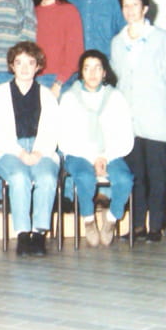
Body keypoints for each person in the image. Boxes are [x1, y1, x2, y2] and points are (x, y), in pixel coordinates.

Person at [111, 0, 166, 242]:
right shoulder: (117, 42)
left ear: (145, 8)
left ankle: (156, 226)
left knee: (157, 175)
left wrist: (159, 105)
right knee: (136, 175)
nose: (130, 10)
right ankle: (138, 224)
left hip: (155, 119)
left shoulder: (161, 39)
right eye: (126, 6)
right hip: (129, 121)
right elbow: (118, 78)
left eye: (135, 5)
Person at [0, 42, 59, 257]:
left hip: (41, 149)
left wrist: (38, 152)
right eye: (19, 63)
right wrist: (20, 153)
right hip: (9, 150)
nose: (25, 68)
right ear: (12, 66)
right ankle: (22, 234)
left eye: (30, 62)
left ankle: (38, 234)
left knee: (47, 176)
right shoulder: (0, 93)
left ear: (38, 66)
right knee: (19, 177)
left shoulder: (47, 95)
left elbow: (52, 130)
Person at [59, 50, 134, 247]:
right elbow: (65, 138)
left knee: (124, 179)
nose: (92, 73)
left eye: (97, 68)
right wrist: (93, 158)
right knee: (85, 177)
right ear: (81, 72)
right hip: (79, 154)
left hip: (110, 154)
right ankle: (89, 219)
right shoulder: (69, 98)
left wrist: (105, 157)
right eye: (87, 68)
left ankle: (111, 219)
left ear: (104, 72)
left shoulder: (116, 97)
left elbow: (125, 135)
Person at [32, 0, 83, 98]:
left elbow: (75, 53)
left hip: (61, 79)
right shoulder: (31, 12)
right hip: (33, 79)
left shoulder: (69, 11)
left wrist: (59, 82)